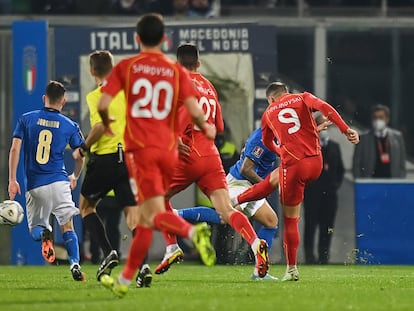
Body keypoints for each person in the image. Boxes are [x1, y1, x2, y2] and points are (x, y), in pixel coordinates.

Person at [97, 14, 217, 298]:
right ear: (164, 40)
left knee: (151, 213)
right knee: (149, 218)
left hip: (142, 151)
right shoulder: (175, 70)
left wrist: (108, 121)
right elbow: (196, 111)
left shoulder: (127, 67)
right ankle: (124, 282)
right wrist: (207, 130)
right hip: (169, 151)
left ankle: (191, 233)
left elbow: (104, 103)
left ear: (137, 39)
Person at [154, 43, 270, 281]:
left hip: (187, 152)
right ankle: (255, 242)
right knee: (226, 210)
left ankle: (172, 247)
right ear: (198, 63)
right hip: (210, 153)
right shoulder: (209, 87)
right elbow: (219, 127)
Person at [232, 82, 359, 281]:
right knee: (274, 178)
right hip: (315, 163)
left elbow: (267, 142)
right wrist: (345, 129)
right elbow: (325, 108)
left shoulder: (268, 112)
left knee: (290, 219)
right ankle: (237, 199)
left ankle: (291, 269)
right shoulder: (302, 97)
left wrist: (279, 151)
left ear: (271, 99)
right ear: (287, 93)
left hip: (294, 168)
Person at [74, 50, 152, 287]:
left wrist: (83, 147)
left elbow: (98, 127)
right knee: (133, 216)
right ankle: (144, 266)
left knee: (86, 207)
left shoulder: (96, 95)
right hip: (129, 160)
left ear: (92, 71)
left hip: (105, 159)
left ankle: (108, 252)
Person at [170, 126, 279, 280]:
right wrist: (265, 186)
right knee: (228, 215)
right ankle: (176, 215)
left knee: (271, 221)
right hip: (240, 183)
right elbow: (245, 169)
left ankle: (260, 272)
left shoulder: (278, 134)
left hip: (254, 186)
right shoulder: (261, 138)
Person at [8, 81, 85, 281]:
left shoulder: (26, 119)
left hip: (35, 186)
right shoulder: (70, 125)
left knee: (36, 229)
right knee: (68, 227)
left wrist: (12, 180)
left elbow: (15, 149)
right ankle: (75, 263)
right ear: (64, 101)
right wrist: (75, 175)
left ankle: (45, 235)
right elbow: (79, 156)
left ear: (44, 98)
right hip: (60, 183)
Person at [303, 114, 345, 264]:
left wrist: (334, 185)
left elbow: (340, 170)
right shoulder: (308, 145)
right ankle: (309, 256)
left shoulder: (334, 146)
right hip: (312, 193)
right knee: (310, 226)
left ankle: (323, 256)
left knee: (327, 226)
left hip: (330, 194)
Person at [352, 104, 406, 179]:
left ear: (387, 119)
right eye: (375, 118)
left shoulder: (397, 137)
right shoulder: (363, 139)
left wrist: (400, 181)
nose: (377, 121)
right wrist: (360, 182)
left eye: (381, 118)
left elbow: (401, 164)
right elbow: (356, 164)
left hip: (392, 182)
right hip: (370, 183)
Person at [88, 190, 122, 264]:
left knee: (96, 228)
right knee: (112, 229)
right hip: (115, 198)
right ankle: (114, 255)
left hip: (100, 197)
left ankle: (95, 256)